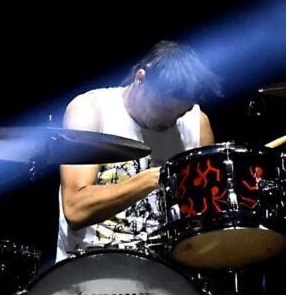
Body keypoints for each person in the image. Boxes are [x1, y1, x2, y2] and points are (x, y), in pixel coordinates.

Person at [57, 40, 223, 260]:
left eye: (180, 113)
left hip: (164, 269)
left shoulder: (197, 124)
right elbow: (75, 209)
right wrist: (150, 180)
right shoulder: (91, 110)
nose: (169, 121)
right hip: (91, 264)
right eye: (163, 108)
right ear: (140, 78)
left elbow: (206, 216)